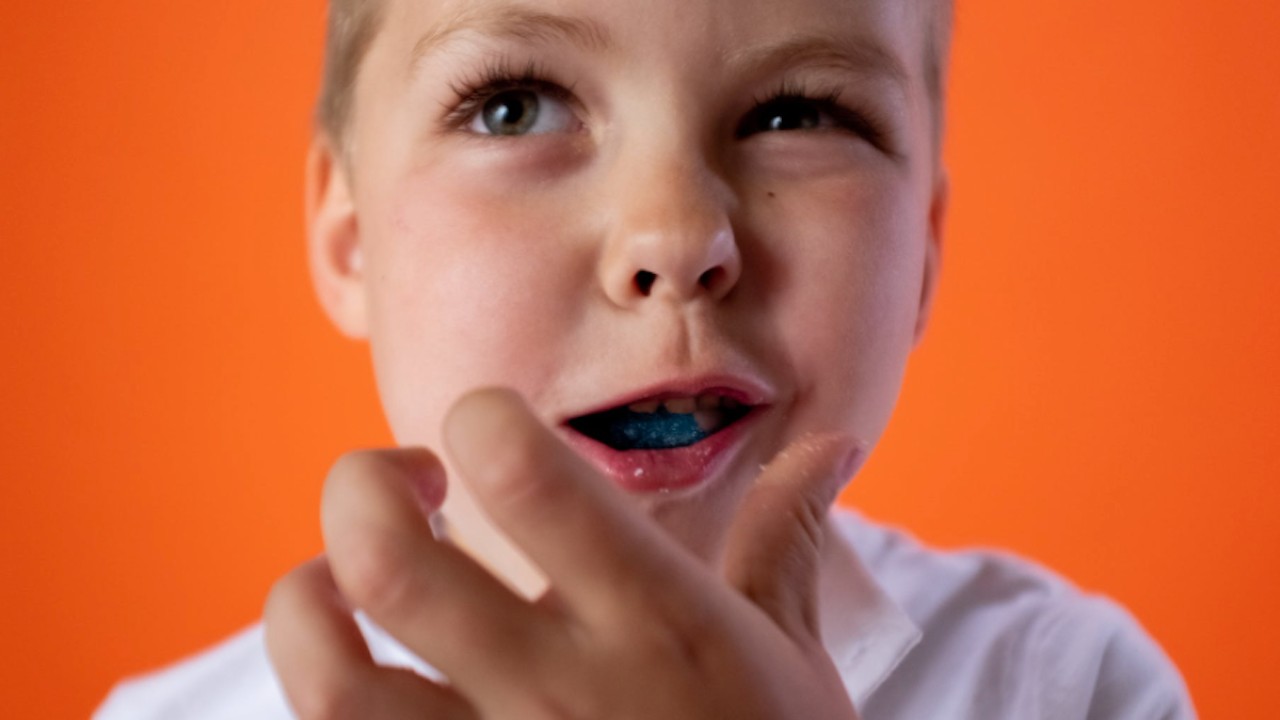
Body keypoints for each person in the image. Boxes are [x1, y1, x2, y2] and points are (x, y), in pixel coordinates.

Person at [95, 0, 1196, 717]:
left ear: (920, 256)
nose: (675, 240)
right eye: (512, 106)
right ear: (348, 240)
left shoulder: (1067, 688)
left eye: (796, 110)